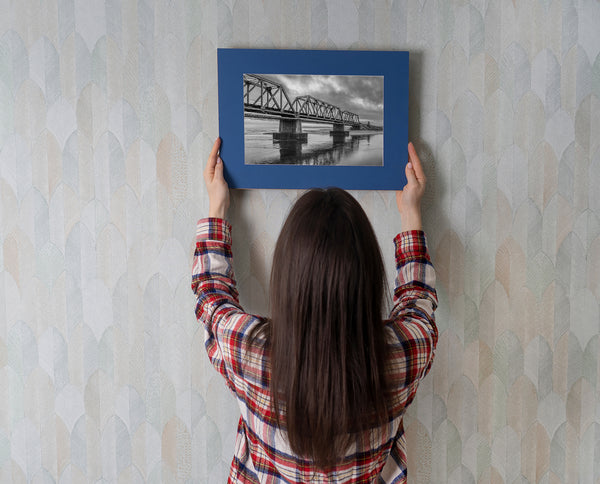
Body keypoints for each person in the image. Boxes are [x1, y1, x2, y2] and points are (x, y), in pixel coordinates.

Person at [192, 138, 438, 483]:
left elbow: (210, 296)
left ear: (288, 277)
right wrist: (410, 211)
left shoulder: (249, 353)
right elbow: (418, 302)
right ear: (367, 277)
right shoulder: (401, 357)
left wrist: (217, 205)